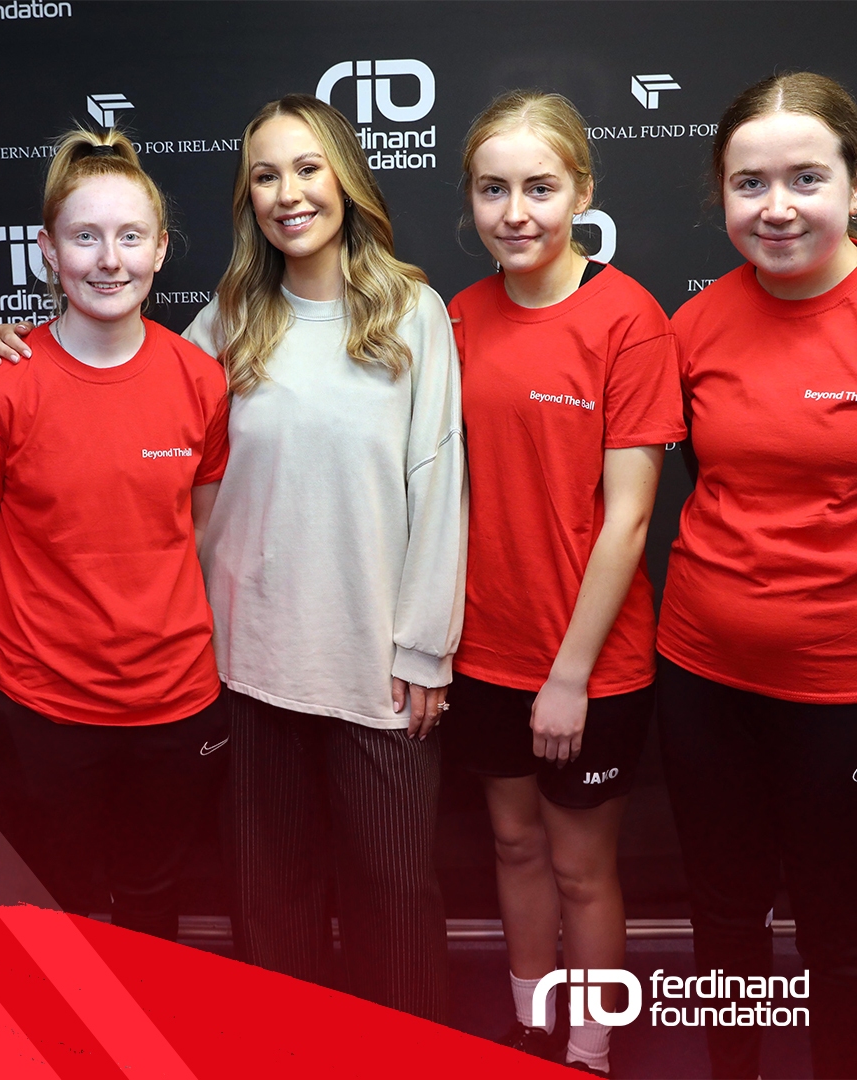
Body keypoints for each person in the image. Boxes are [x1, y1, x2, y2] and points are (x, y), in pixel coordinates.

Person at [0, 94, 466, 1022]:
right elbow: (114, 376)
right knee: (268, 912)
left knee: (395, 904)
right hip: (242, 667)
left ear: (346, 179)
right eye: (266, 174)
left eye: (307, 168)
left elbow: (438, 486)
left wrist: (425, 648)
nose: (289, 194)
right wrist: (13, 346)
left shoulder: (413, 312)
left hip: (376, 667)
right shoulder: (229, 319)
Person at [0, 129, 230, 940]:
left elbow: (196, 529)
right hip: (45, 708)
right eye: (85, 236)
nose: (109, 259)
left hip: (174, 702)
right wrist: (32, 627)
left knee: (151, 904)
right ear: (46, 251)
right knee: (50, 905)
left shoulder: (198, 378)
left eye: (131, 237)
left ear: (161, 250)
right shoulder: (0, 391)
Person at [444, 91, 684, 1074]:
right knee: (512, 849)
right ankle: (533, 1024)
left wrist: (570, 676)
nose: (517, 212)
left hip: (591, 665)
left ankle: (587, 1045)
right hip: (483, 651)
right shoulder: (458, 315)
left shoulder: (630, 320)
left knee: (585, 868)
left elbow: (630, 518)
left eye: (541, 188)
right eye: (494, 189)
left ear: (582, 189)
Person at [655, 71, 857, 1080]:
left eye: (806, 177)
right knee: (725, 915)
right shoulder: (693, 328)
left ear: (852, 188)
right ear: (721, 194)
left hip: (842, 693)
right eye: (749, 183)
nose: (775, 206)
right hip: (704, 675)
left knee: (840, 926)